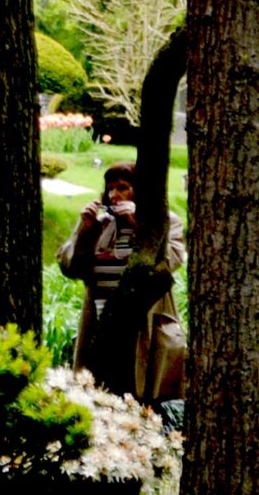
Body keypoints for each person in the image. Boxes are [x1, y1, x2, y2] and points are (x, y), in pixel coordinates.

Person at [56, 161, 187, 401]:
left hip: (144, 329)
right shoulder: (101, 224)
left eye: (123, 187)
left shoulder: (165, 221)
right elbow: (69, 267)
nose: (115, 195)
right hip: (100, 326)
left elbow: (170, 263)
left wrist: (137, 226)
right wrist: (84, 231)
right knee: (99, 395)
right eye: (111, 188)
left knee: (141, 397)